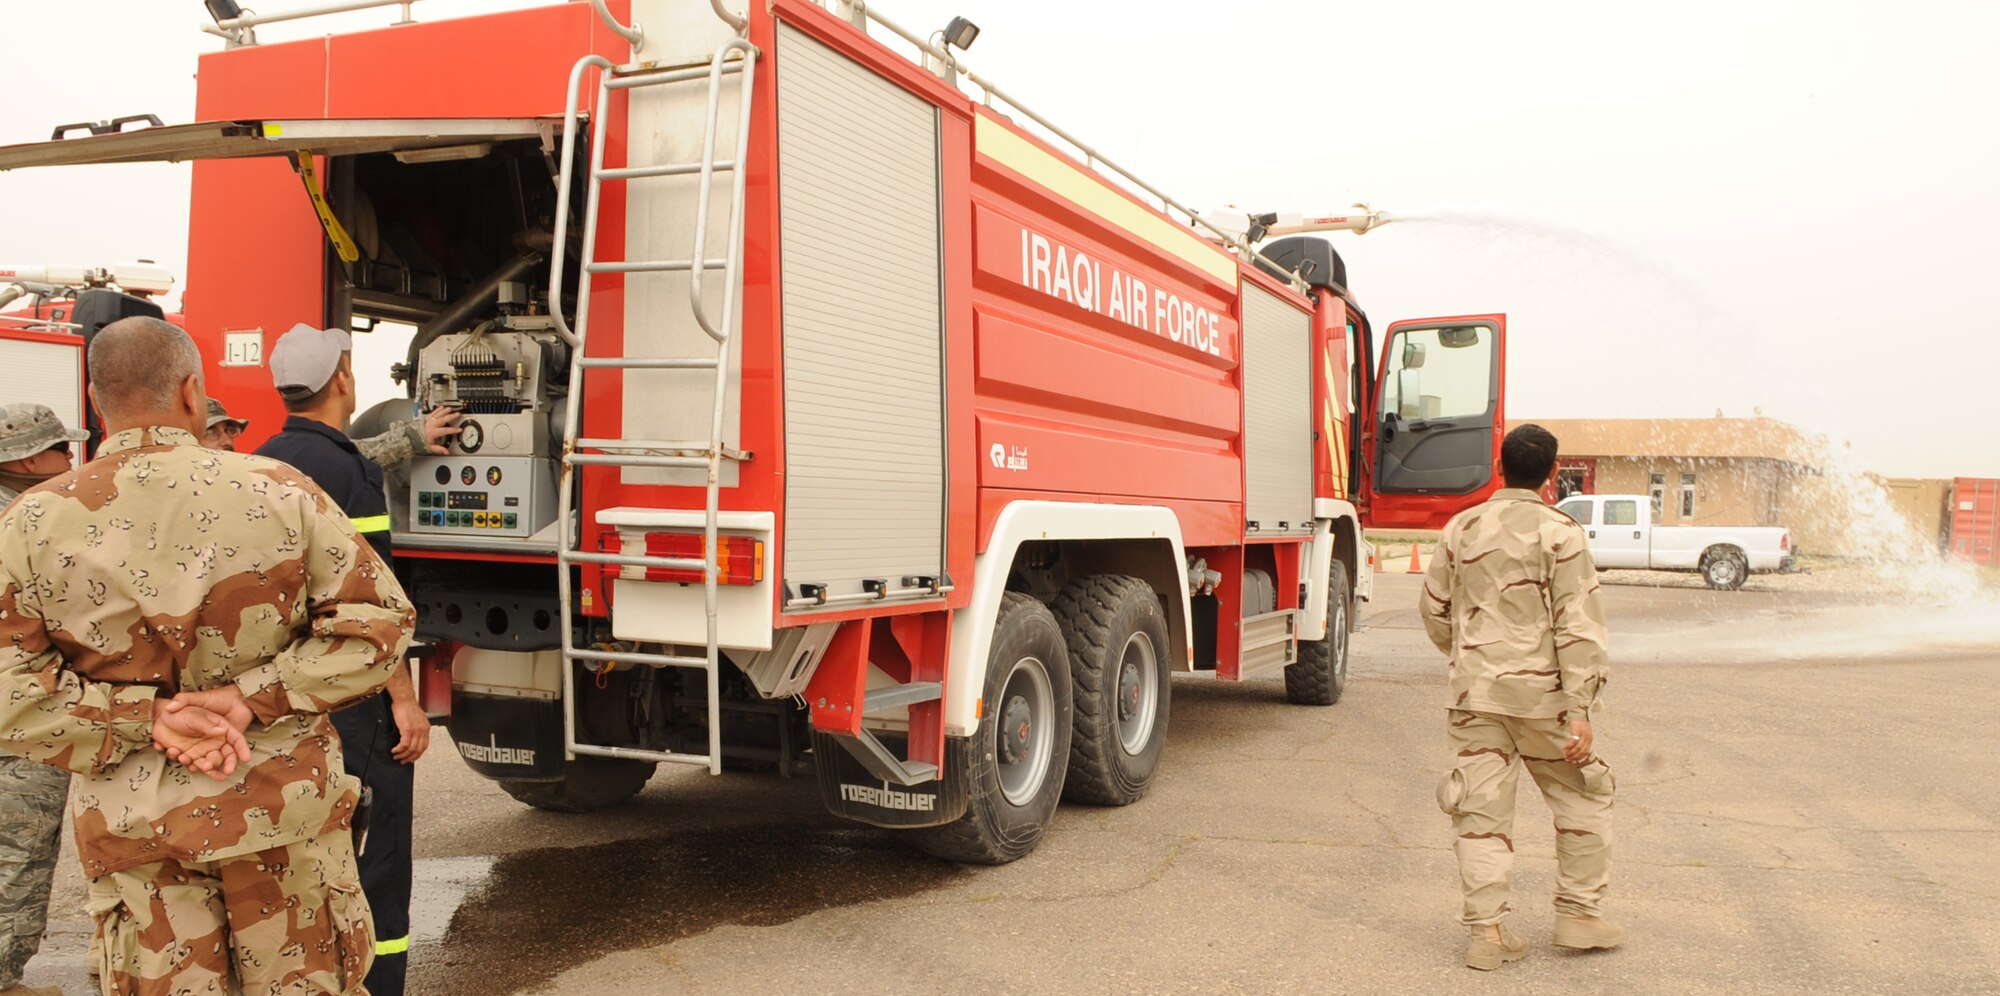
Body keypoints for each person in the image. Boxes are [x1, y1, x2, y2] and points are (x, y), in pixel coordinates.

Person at [0, 316, 413, 994]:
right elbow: (380, 627)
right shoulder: (281, 492)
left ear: (99, 402)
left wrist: (145, 718)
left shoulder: (32, 522)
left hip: (139, 835)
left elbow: (10, 688)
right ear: (193, 391)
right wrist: (249, 699)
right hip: (283, 818)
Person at [253, 323, 433, 996]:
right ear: (344, 381)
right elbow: (376, 603)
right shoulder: (353, 475)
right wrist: (406, 702)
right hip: (354, 708)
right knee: (377, 856)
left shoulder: (259, 463)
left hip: (286, 699)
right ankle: (379, 982)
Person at [1422, 423, 1623, 971]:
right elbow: (1578, 625)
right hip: (1543, 703)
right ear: (1553, 474)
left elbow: (1435, 610)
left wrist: (1468, 660)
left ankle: (1487, 935)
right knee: (1585, 793)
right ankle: (1579, 914)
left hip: (1475, 699)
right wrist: (1580, 706)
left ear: (1499, 465)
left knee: (1479, 812)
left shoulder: (1461, 527)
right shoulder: (1561, 533)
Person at [0, 405, 86, 996]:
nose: (73, 457)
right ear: (30, 459)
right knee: (21, 853)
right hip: (24, 715)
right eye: (62, 448)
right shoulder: (27, 520)